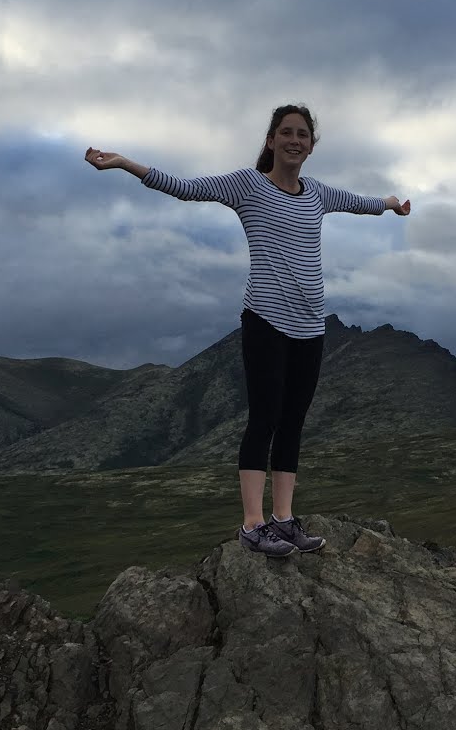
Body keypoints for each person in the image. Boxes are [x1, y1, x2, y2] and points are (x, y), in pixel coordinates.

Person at [85, 104, 410, 557]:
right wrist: (124, 163)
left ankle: (284, 520)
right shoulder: (248, 185)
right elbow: (185, 188)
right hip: (266, 322)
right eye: (286, 133)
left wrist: (391, 204)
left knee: (293, 423)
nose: (295, 140)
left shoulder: (317, 193)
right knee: (265, 418)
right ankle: (253, 525)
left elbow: (362, 203)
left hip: (310, 327)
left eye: (303, 134)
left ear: (311, 146)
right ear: (271, 141)